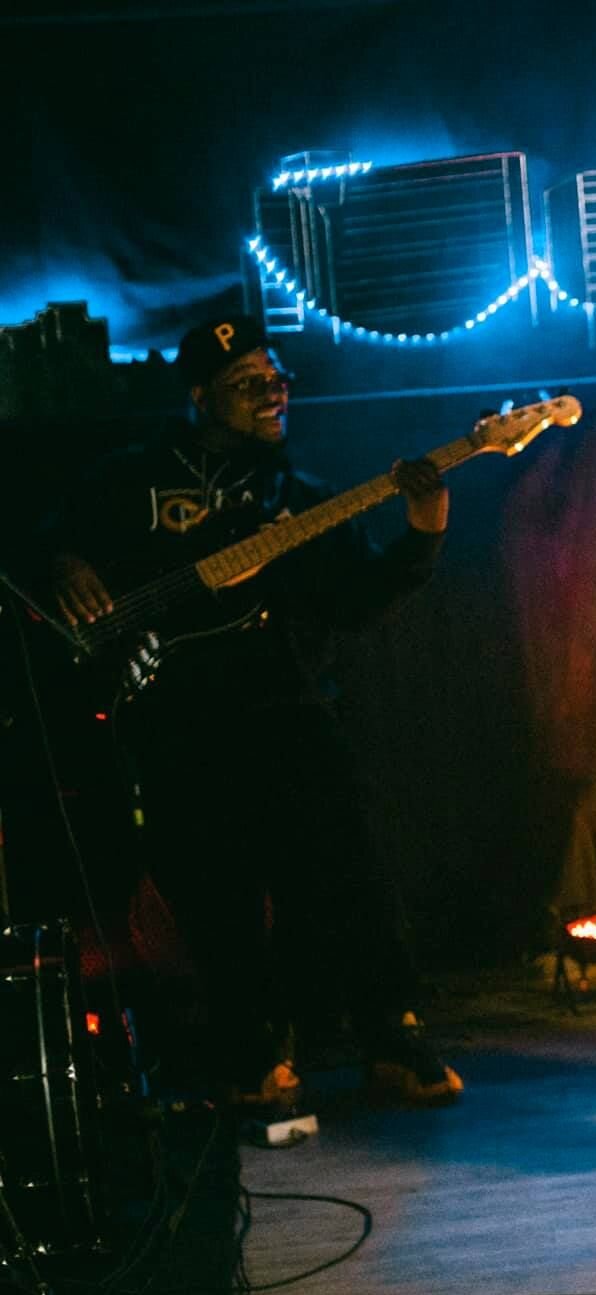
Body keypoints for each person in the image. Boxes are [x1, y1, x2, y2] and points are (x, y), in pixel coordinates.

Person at [41, 314, 462, 1118]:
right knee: (216, 892)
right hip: (175, 713)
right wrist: (66, 562)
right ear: (200, 396)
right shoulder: (129, 478)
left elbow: (356, 600)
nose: (272, 395)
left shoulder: (297, 499)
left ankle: (391, 1037)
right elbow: (49, 533)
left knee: (350, 869)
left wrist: (425, 528)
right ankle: (251, 1051)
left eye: (276, 380)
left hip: (284, 706)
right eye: (247, 384)